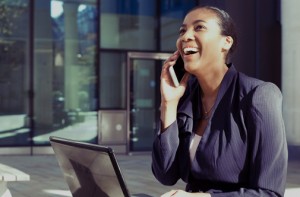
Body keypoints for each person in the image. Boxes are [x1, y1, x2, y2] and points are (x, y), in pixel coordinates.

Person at [151, 5, 288, 197]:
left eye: (199, 27)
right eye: (182, 30)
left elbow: (270, 193)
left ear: (226, 42)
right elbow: (165, 175)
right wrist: (169, 103)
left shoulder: (259, 95)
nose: (185, 37)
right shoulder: (186, 99)